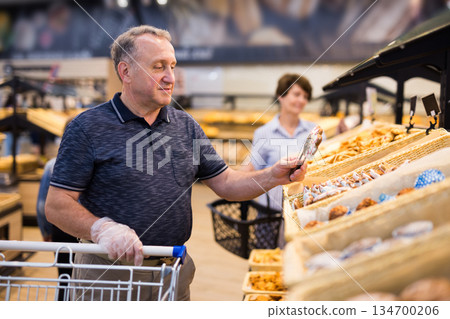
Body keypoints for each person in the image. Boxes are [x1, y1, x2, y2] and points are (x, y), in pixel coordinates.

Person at [45, 25, 307, 301]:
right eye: (158, 67)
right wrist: (102, 229)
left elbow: (227, 183)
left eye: (172, 66)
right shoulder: (87, 127)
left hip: (173, 272)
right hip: (109, 274)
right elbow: (56, 204)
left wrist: (275, 176)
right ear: (126, 72)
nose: (170, 77)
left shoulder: (185, 126)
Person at [245, 74, 325, 243]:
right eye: (296, 94)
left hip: (303, 214)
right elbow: (252, 169)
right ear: (281, 96)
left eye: (305, 96)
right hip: (270, 215)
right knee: (270, 263)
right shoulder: (264, 133)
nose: (301, 100)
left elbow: (323, 163)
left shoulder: (313, 131)